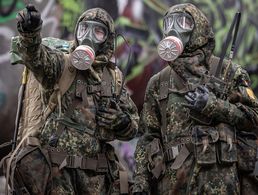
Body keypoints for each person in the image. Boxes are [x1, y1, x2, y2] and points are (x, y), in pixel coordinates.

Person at [7, 4, 139, 194]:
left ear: (108, 40)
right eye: (84, 29)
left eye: (98, 32)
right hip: (57, 175)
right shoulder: (62, 64)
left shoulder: (113, 78)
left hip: (95, 179)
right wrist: (30, 34)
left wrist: (122, 122)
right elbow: (37, 59)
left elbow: (133, 126)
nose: (88, 36)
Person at [132, 3, 258, 195]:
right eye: (169, 24)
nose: (174, 29)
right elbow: (148, 138)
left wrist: (214, 106)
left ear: (199, 28)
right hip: (173, 185)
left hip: (221, 185)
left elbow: (254, 119)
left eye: (183, 23)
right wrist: (141, 182)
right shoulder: (159, 82)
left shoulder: (229, 72)